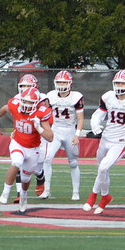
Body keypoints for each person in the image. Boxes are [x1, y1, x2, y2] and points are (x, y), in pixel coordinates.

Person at [83, 70, 125, 214]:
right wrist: (95, 124)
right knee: (102, 170)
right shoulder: (108, 96)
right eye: (117, 83)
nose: (119, 86)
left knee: (103, 168)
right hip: (105, 138)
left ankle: (93, 196)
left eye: (122, 83)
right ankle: (105, 197)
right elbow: (98, 114)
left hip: (121, 141)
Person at [0, 73, 49, 198]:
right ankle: (19, 193)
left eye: (28, 85)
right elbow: (8, 108)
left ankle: (40, 175)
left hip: (39, 136)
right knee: (17, 162)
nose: (24, 88)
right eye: (23, 86)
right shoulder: (18, 98)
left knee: (37, 167)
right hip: (22, 136)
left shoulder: (42, 99)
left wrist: (37, 128)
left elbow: (47, 122)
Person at [0, 86, 54, 213]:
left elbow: (50, 137)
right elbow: (5, 108)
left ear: (37, 104)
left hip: (33, 148)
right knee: (16, 162)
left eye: (30, 102)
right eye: (25, 101)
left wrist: (39, 127)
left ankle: (24, 195)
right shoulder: (15, 104)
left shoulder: (41, 113)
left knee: (26, 178)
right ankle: (5, 191)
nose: (27, 105)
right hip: (17, 143)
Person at [41, 69, 84, 201]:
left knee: (73, 163)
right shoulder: (51, 95)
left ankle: (75, 191)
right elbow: (45, 114)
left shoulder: (76, 97)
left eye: (63, 82)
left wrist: (77, 134)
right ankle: (46, 190)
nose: (61, 85)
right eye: (59, 82)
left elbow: (80, 118)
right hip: (56, 131)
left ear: (70, 83)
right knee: (47, 158)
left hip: (70, 130)